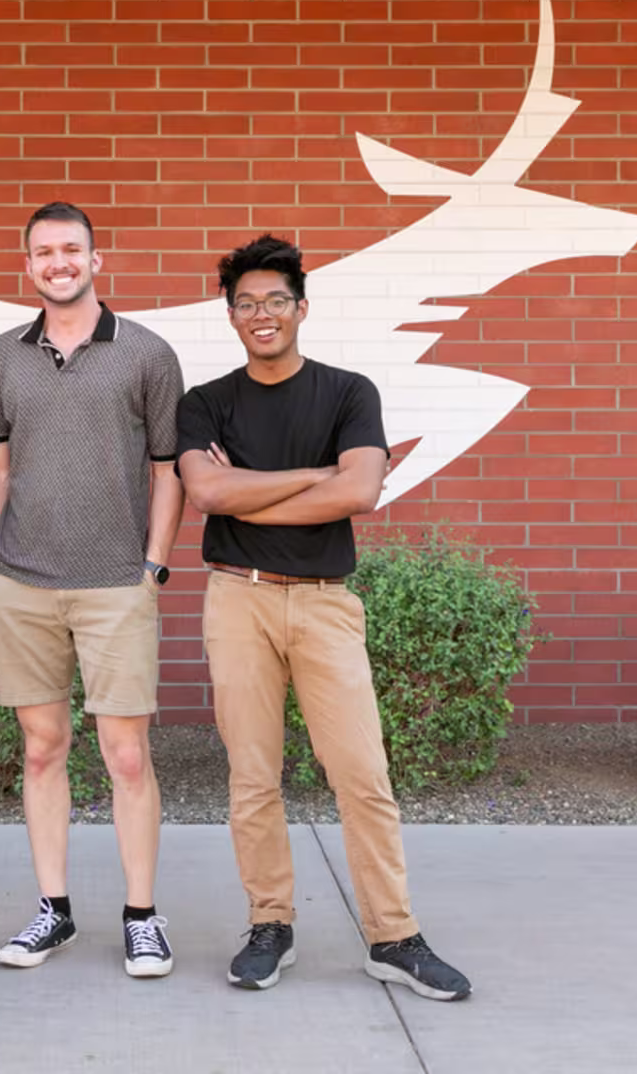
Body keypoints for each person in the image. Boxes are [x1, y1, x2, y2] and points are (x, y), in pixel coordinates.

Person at [175, 235, 472, 1002]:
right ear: (231, 314)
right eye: (247, 303)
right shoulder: (203, 402)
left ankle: (393, 935)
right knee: (252, 776)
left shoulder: (348, 392)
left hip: (324, 602)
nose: (262, 314)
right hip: (236, 596)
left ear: (301, 308)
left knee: (362, 775)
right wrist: (315, 473)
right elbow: (206, 495)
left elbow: (361, 491)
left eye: (277, 300)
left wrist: (257, 485)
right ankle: (269, 924)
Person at [0, 201, 186, 978]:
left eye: (71, 250)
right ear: (26, 266)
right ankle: (53, 912)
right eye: (43, 253)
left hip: (115, 587)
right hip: (22, 583)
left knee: (126, 756)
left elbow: (168, 469)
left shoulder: (147, 354)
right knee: (42, 747)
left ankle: (140, 916)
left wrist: (154, 563)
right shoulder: (1, 356)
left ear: (97, 260)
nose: (57, 263)